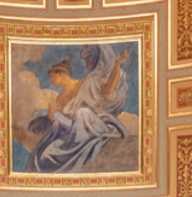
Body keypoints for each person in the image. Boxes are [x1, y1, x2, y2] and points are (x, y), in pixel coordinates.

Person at [25, 43, 129, 173]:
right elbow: (62, 127)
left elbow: (108, 89)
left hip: (91, 124)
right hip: (73, 133)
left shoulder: (86, 83)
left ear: (62, 73)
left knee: (82, 112)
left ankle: (82, 146)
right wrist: (52, 118)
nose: (51, 81)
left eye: (52, 76)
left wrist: (117, 65)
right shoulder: (59, 99)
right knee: (46, 153)